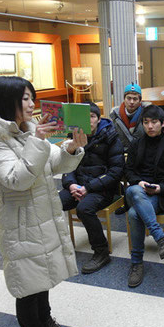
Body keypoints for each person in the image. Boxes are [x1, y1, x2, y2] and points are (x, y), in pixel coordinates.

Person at [0, 76, 87, 327]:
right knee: (26, 284)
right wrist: (39, 142)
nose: (32, 104)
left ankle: (45, 321)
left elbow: (52, 164)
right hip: (20, 222)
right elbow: (17, 179)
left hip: (41, 215)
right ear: (8, 101)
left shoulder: (28, 130)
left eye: (32, 98)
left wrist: (69, 149)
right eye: (25, 98)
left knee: (42, 275)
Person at [59, 102, 124, 274]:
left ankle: (101, 252)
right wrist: (71, 184)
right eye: (84, 117)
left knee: (84, 208)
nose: (88, 121)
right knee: (53, 203)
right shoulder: (73, 137)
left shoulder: (110, 137)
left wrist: (88, 188)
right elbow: (66, 165)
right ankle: (58, 245)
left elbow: (116, 172)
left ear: (98, 119)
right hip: (78, 185)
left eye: (92, 116)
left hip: (102, 188)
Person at [125, 105, 164, 288]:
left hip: (158, 195)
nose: (150, 126)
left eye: (154, 122)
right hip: (138, 191)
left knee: (134, 214)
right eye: (146, 122)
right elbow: (128, 171)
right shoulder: (135, 145)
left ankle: (136, 262)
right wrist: (139, 182)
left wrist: (159, 188)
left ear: (162, 123)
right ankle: (160, 237)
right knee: (134, 190)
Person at [109, 82, 150, 152]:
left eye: (135, 99)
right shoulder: (115, 115)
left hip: (142, 152)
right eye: (128, 98)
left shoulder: (147, 114)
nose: (131, 102)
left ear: (140, 101)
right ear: (124, 99)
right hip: (121, 152)